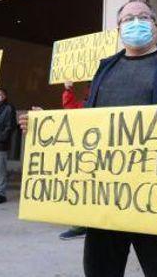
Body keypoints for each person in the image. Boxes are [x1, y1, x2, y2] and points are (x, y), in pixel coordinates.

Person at [18, 0, 157, 277]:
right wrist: (44, 126)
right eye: (128, 18)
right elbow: (88, 120)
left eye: (143, 17)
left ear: (155, 27)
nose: (136, 22)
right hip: (105, 198)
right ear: (119, 28)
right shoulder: (105, 69)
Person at [59, 81, 87, 240]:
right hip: (83, 152)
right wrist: (68, 89)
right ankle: (80, 225)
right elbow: (70, 112)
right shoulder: (85, 103)